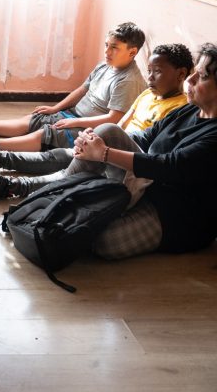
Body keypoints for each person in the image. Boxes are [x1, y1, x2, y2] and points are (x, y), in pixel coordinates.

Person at [31, 43, 217, 260]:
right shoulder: (191, 109)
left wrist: (105, 153)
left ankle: (65, 201)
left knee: (104, 242)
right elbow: (147, 135)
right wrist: (97, 141)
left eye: (202, 76)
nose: (190, 81)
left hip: (175, 216)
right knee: (107, 131)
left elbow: (170, 166)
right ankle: (54, 197)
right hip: (147, 186)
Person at [0, 43, 194, 198]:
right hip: (112, 143)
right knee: (63, 154)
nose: (150, 78)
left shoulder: (180, 108)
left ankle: (15, 184)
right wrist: (96, 137)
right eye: (149, 71)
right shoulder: (147, 94)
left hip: (130, 160)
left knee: (68, 167)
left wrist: (103, 147)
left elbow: (153, 150)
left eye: (157, 72)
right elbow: (120, 125)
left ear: (181, 74)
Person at [0, 22, 147, 153]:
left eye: (114, 47)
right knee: (35, 119)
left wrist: (74, 122)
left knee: (47, 133)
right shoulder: (104, 66)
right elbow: (82, 90)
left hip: (90, 128)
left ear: (132, 52)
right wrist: (56, 109)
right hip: (74, 115)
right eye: (106, 45)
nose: (107, 51)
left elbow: (113, 119)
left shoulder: (128, 81)